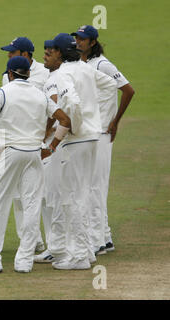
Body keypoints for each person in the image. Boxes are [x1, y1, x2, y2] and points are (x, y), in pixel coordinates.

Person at [0, 56, 71, 273]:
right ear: (28, 73)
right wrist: (52, 147)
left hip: (9, 152)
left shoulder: (2, 92)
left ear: (9, 74)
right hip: (34, 154)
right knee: (31, 205)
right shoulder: (41, 94)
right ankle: (24, 260)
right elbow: (65, 120)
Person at [43, 33, 117, 270]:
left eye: (52, 50)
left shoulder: (64, 73)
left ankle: (78, 258)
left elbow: (72, 103)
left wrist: (74, 124)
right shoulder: (85, 68)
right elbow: (111, 85)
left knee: (73, 197)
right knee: (83, 194)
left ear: (61, 52)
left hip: (76, 140)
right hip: (93, 137)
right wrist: (95, 113)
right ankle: (86, 251)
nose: (49, 53)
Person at [72, 25, 135, 254]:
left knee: (95, 187)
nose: (78, 42)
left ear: (93, 41)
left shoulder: (102, 64)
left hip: (101, 133)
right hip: (91, 131)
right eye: (77, 38)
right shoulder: (84, 64)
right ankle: (105, 236)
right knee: (92, 185)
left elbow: (128, 90)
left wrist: (115, 121)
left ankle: (97, 242)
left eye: (83, 39)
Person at [0, 36, 50, 252]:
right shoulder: (6, 76)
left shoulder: (46, 74)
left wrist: (46, 136)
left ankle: (53, 242)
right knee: (20, 196)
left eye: (13, 52)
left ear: (26, 55)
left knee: (44, 195)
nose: (9, 56)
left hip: (41, 141)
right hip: (16, 142)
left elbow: (52, 108)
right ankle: (30, 241)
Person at [34, 43, 63, 264]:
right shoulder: (61, 74)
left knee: (51, 196)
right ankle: (57, 245)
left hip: (56, 142)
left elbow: (53, 103)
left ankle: (55, 246)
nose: (44, 58)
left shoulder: (54, 77)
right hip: (62, 140)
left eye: (48, 54)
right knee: (52, 195)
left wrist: (47, 127)